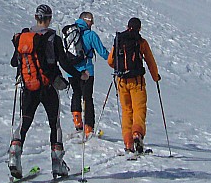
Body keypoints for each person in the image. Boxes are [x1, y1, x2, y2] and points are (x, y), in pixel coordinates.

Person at [8, 4, 89, 179]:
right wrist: (80, 75)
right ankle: (57, 163)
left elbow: (14, 62)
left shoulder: (24, 37)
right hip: (49, 86)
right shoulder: (53, 37)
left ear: (36, 17)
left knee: (25, 120)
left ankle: (14, 154)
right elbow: (64, 62)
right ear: (49, 18)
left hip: (28, 86)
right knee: (55, 123)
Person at [107, 17, 160, 154]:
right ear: (139, 28)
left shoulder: (119, 40)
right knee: (139, 109)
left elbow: (110, 61)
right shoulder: (141, 42)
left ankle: (128, 143)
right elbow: (150, 61)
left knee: (127, 111)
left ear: (127, 26)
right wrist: (155, 77)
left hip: (121, 80)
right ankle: (137, 133)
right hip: (137, 81)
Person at [67, 11, 110, 138]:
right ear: (86, 20)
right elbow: (102, 52)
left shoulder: (69, 33)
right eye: (91, 20)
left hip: (71, 70)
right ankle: (88, 127)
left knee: (76, 94)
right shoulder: (90, 35)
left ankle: (77, 122)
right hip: (86, 70)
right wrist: (114, 61)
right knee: (87, 98)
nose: (93, 23)